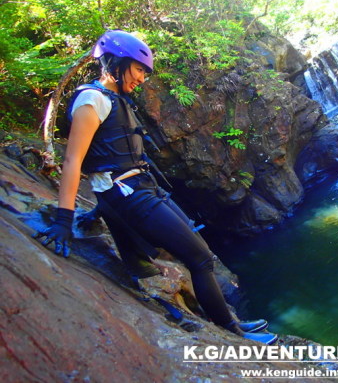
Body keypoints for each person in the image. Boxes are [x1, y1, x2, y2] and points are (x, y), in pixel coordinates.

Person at [33, 30, 277, 345]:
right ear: (116, 62)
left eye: (145, 73)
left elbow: (110, 155)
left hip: (141, 188)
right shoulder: (91, 99)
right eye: (138, 70)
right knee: (200, 259)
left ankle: (235, 324)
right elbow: (73, 162)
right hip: (129, 195)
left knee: (202, 252)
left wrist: (99, 207)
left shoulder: (114, 99)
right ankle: (235, 334)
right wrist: (64, 219)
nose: (142, 78)